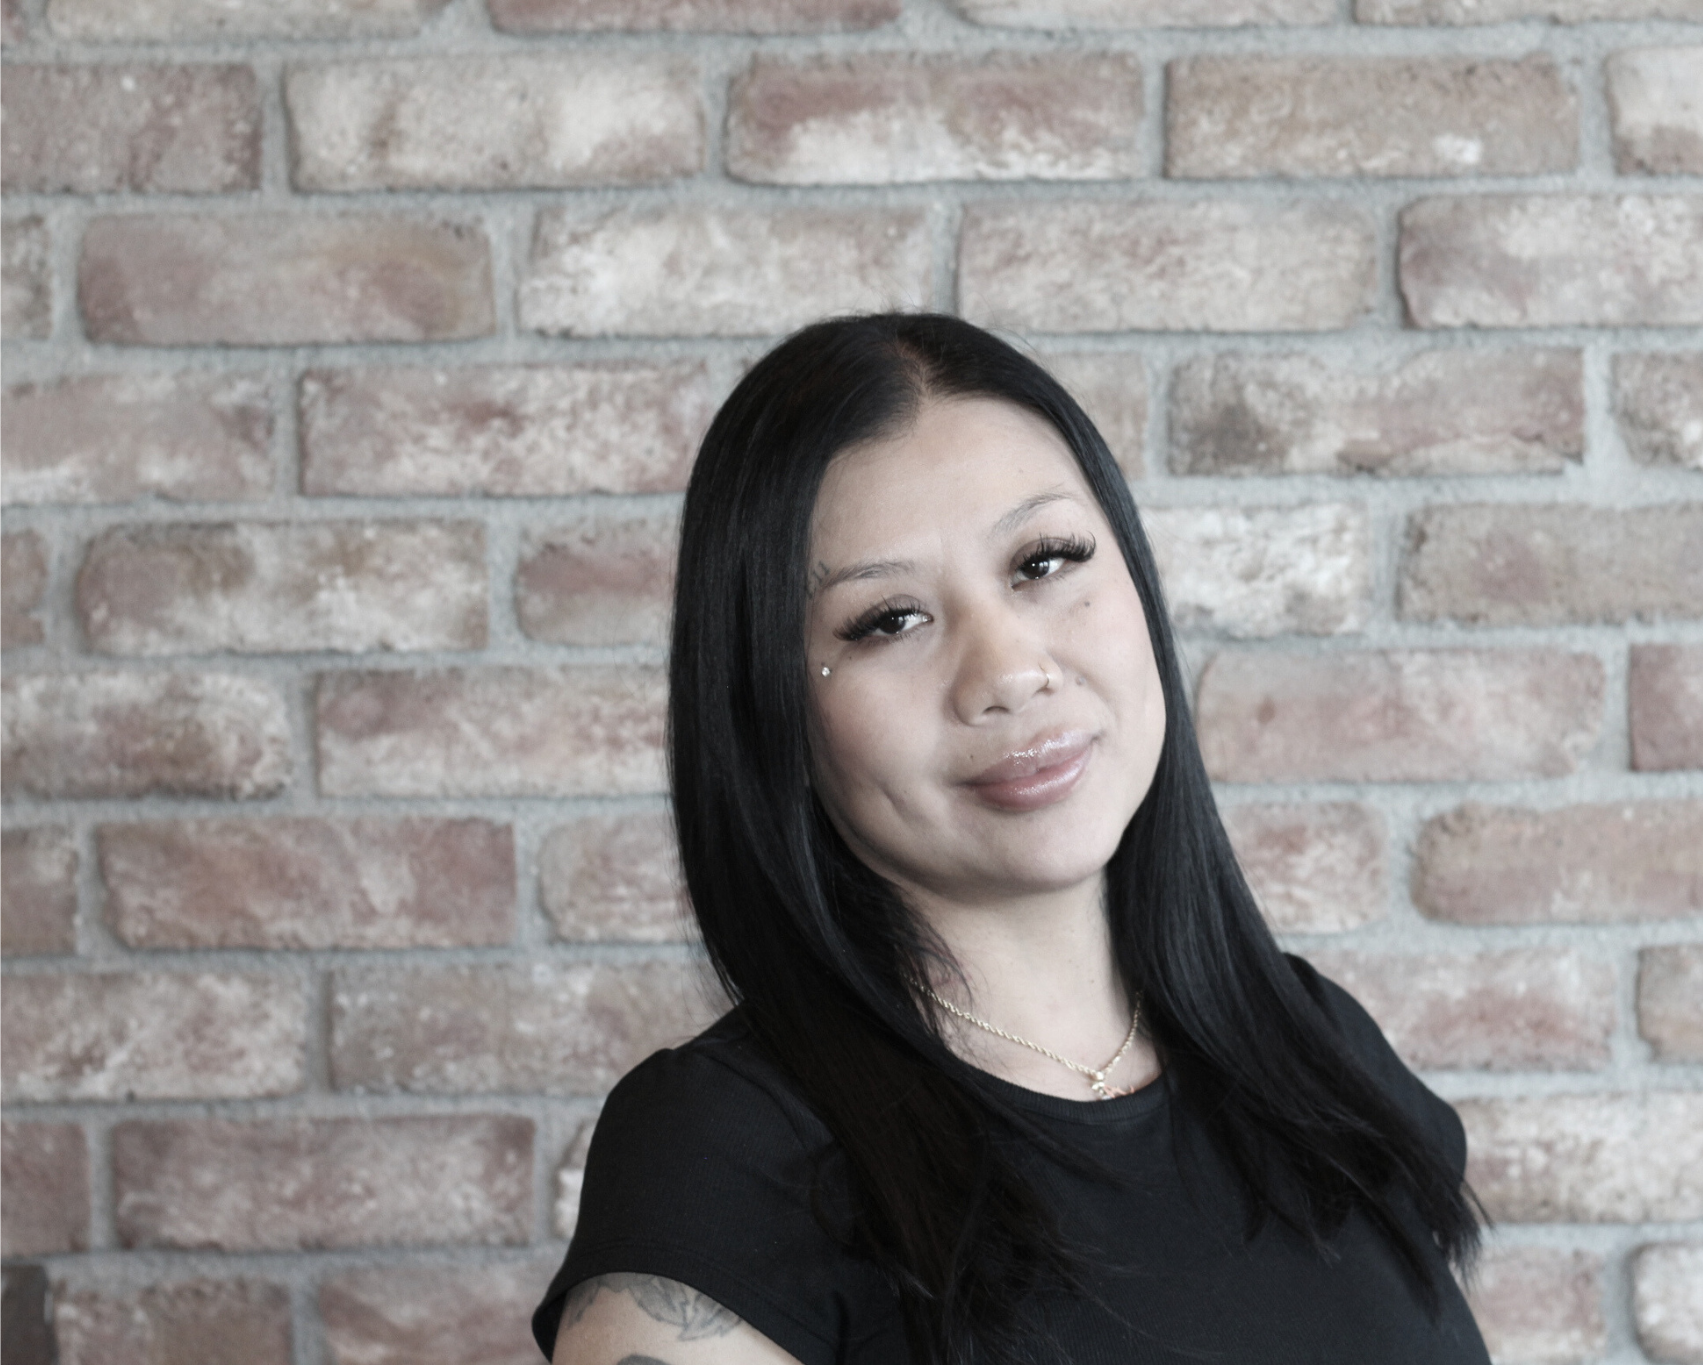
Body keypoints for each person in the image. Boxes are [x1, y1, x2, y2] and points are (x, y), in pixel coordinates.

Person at [533, 313, 1488, 1365]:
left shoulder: (1309, 1044)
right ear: (774, 713)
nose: (1009, 671)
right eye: (889, 620)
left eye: (1044, 561)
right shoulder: (726, 1160)